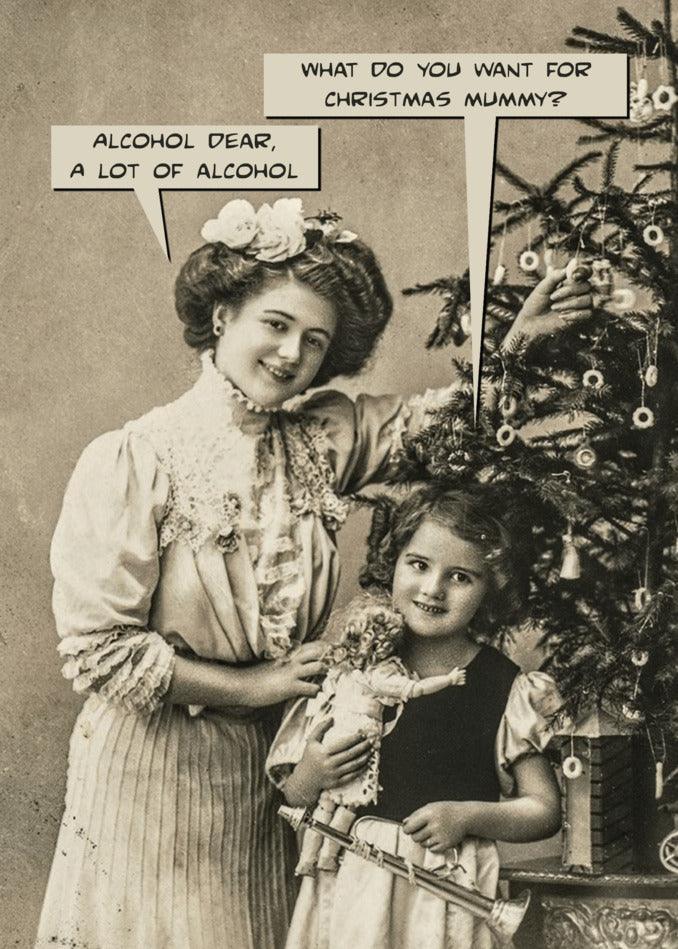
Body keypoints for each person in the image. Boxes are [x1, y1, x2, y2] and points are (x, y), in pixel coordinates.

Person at [36, 198, 588, 949]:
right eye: (276, 323)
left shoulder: (320, 441)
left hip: (271, 768)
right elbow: (101, 650)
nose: (292, 353)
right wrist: (257, 686)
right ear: (224, 312)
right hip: (154, 761)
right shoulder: (135, 458)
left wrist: (517, 343)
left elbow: (449, 425)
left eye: (315, 339)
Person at [272, 485, 563, 949]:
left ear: (492, 589)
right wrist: (312, 771)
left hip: (449, 897)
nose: (433, 589)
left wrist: (467, 816)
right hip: (356, 891)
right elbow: (293, 794)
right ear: (394, 563)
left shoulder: (502, 684)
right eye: (419, 565)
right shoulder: (353, 663)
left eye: (461, 577)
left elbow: (544, 809)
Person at [272, 593, 466, 876]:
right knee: (348, 807)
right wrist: (448, 680)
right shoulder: (379, 675)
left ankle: (307, 858)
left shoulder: (342, 672)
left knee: (326, 806)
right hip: (359, 742)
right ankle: (326, 856)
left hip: (335, 736)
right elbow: (415, 690)